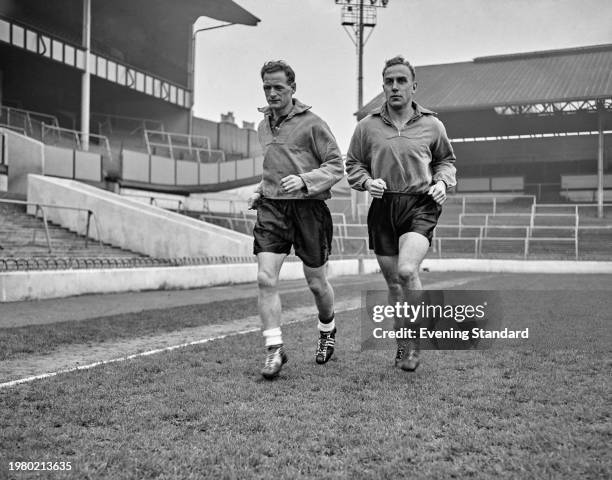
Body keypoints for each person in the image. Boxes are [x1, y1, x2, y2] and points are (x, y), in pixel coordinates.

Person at [345, 55, 457, 372]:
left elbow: (446, 161)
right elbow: (352, 164)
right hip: (383, 207)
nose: (395, 87)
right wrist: (367, 181)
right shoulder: (366, 127)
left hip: (420, 203)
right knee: (394, 283)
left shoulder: (432, 125)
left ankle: (415, 345)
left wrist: (442, 182)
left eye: (401, 81)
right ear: (383, 86)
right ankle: (403, 343)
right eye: (389, 81)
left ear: (413, 86)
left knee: (408, 271)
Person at [248, 60, 344, 380]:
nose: (272, 93)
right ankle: (274, 349)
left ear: (293, 88)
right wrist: (261, 189)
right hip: (273, 209)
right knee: (265, 278)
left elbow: (335, 166)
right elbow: (275, 168)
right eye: (267, 87)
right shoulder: (262, 126)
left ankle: (327, 328)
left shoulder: (313, 123)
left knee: (316, 284)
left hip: (308, 210)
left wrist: (305, 181)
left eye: (278, 87)